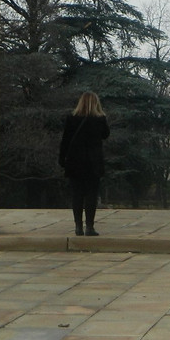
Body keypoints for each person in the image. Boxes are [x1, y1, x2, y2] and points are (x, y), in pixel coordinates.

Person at [59, 91, 110, 236]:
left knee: (77, 195)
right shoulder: (100, 119)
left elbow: (65, 140)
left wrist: (62, 159)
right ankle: (89, 226)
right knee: (91, 195)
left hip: (75, 161)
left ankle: (78, 226)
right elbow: (106, 135)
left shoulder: (71, 118)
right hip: (93, 162)